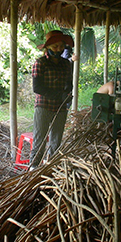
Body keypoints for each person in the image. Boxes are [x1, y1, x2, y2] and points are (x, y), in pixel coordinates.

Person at [30, 31, 75, 168]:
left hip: (60, 106)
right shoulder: (40, 63)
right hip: (43, 105)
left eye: (61, 46)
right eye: (55, 47)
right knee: (40, 139)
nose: (58, 50)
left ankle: (51, 166)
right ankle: (34, 167)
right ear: (47, 48)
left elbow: (69, 83)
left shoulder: (66, 64)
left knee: (56, 140)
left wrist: (67, 93)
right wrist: (58, 95)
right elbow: (37, 88)